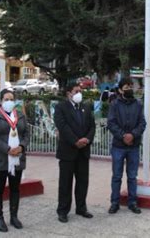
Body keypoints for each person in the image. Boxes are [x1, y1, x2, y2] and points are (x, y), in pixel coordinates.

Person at [0, 89, 29, 232]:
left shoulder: (21, 116)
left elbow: (26, 134)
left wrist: (21, 147)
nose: (9, 102)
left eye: (12, 99)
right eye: (6, 99)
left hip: (17, 158)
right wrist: (7, 148)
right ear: (0, 101)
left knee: (15, 188)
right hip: (0, 158)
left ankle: (14, 216)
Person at [54, 83, 95, 223]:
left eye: (80, 90)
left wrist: (87, 139)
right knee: (65, 182)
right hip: (68, 151)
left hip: (83, 151)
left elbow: (92, 126)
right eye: (76, 91)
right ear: (68, 93)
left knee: (83, 181)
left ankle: (81, 208)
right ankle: (63, 210)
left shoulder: (86, 107)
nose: (79, 93)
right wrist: (75, 141)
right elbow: (62, 126)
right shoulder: (60, 107)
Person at [107, 77, 146, 214]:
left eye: (131, 86)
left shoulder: (138, 104)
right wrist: (123, 135)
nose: (129, 89)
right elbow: (111, 123)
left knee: (132, 176)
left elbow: (142, 123)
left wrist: (132, 135)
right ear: (120, 90)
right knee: (117, 176)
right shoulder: (114, 104)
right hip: (118, 145)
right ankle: (114, 203)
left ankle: (132, 202)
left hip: (133, 146)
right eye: (126, 87)